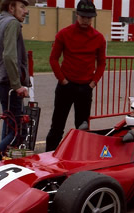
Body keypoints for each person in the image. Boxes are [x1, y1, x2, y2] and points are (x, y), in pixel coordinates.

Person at [45, 0, 107, 151]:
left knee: (82, 128)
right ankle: (48, 157)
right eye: (83, 17)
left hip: (85, 88)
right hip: (66, 86)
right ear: (76, 15)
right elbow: (53, 59)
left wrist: (93, 83)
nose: (86, 20)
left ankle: (79, 158)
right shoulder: (64, 34)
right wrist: (63, 80)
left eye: (89, 18)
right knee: (57, 126)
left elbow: (102, 63)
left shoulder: (99, 38)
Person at [0, 0, 30, 152]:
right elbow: (8, 55)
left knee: (9, 126)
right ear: (11, 7)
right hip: (9, 84)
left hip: (0, 82)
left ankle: (0, 160)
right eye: (22, 7)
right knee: (19, 132)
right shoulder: (12, 23)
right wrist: (17, 85)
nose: (25, 11)